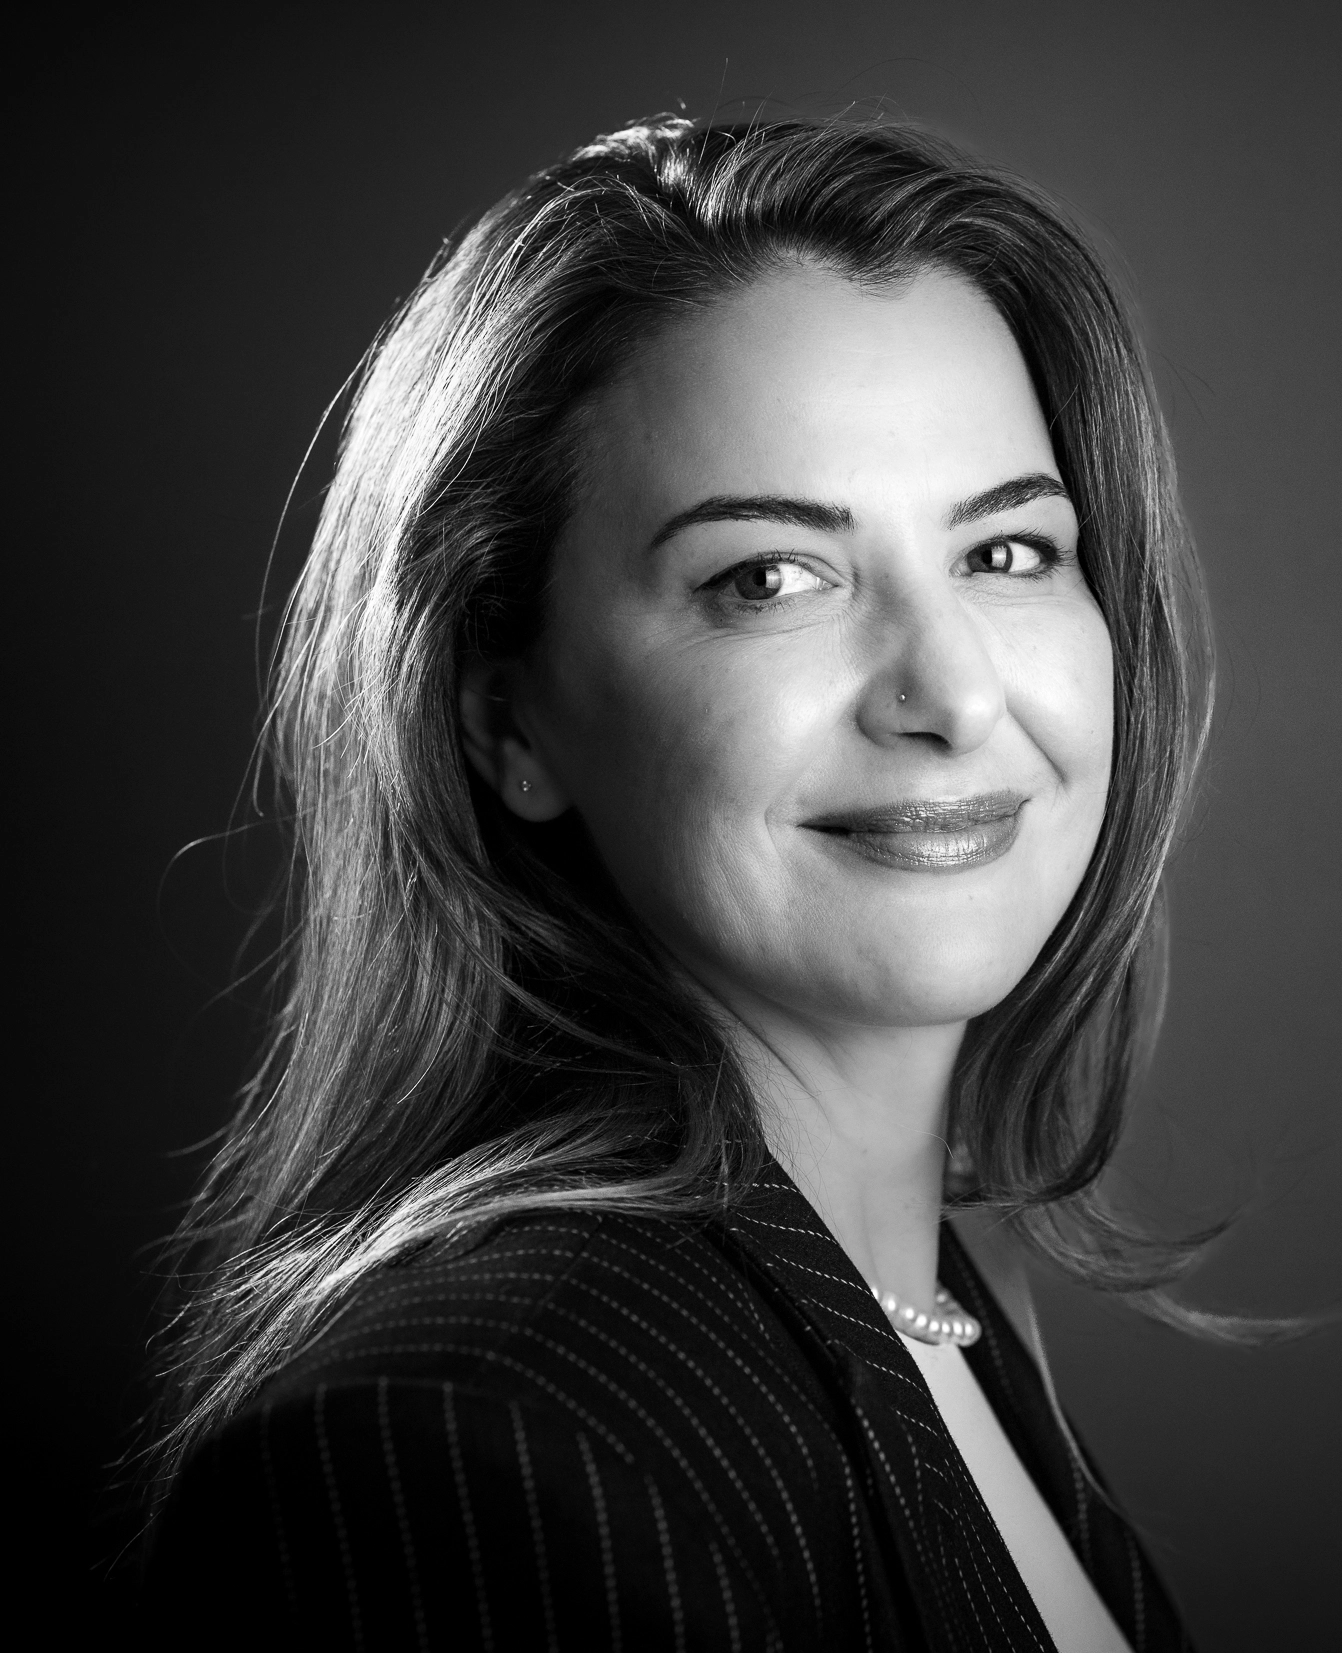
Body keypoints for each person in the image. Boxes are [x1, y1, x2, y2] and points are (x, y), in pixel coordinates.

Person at [142, 113, 1234, 1651]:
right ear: (508, 719)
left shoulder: (940, 1301)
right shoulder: (467, 1449)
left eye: (1006, 554)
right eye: (767, 578)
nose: (953, 695)